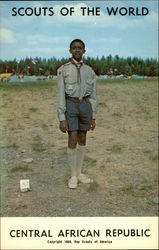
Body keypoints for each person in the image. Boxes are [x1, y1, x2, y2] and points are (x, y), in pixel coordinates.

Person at [57, 39, 97, 189]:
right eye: (74, 48)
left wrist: (93, 115)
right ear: (70, 50)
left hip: (85, 104)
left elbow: (94, 95)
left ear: (84, 51)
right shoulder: (63, 70)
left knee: (82, 137)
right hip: (71, 104)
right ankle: (73, 175)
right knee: (72, 137)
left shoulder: (89, 71)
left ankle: (80, 173)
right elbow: (60, 94)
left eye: (80, 48)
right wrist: (62, 117)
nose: (77, 50)